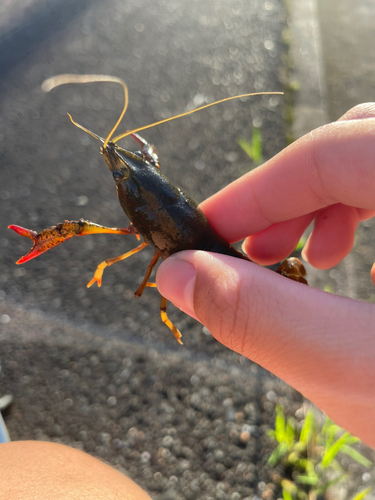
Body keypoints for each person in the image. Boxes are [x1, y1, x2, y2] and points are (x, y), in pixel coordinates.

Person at [1, 103, 374, 498]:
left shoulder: (135, 216)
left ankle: (163, 303)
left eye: (120, 172)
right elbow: (149, 171)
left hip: (183, 251)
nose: (119, 172)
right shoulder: (142, 191)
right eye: (119, 173)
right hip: (183, 242)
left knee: (112, 246)